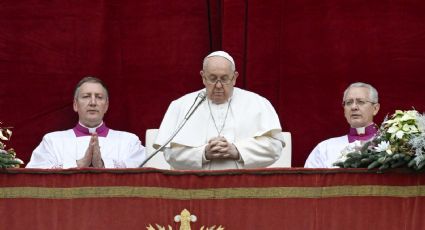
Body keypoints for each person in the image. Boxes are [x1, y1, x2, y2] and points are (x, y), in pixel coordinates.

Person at [154, 51, 285, 170]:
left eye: (224, 79)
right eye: (212, 78)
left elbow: (275, 148)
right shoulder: (181, 105)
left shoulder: (257, 103)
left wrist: (237, 150)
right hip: (195, 187)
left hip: (244, 187)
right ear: (203, 77)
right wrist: (203, 153)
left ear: (234, 78)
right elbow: (169, 153)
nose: (218, 86)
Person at [26, 76, 146, 169]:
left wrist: (103, 164)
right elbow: (34, 176)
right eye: (86, 96)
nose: (93, 102)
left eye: (99, 97)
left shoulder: (129, 141)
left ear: (106, 106)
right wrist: (79, 164)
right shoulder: (52, 141)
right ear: (75, 105)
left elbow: (144, 174)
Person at [304, 82, 381, 168]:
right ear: (344, 110)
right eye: (349, 102)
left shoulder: (392, 146)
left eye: (361, 102)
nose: (354, 107)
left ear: (375, 108)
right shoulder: (324, 149)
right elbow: (310, 180)